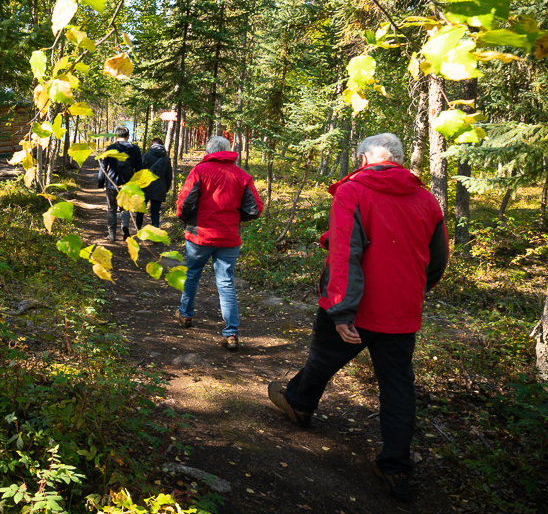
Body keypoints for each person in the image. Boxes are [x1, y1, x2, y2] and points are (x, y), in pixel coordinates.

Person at [267, 133, 448, 503]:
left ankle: (299, 404)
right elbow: (438, 260)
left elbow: (345, 254)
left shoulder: (354, 191)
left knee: (322, 360)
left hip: (357, 307)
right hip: (402, 311)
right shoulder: (427, 200)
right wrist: (410, 291)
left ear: (365, 159)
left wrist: (342, 310)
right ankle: (396, 468)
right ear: (397, 160)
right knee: (398, 389)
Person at [175, 135, 263, 351]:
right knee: (226, 283)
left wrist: (186, 220)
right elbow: (255, 209)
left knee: (192, 275)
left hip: (200, 235)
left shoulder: (200, 171)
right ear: (227, 150)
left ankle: (186, 315)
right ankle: (231, 332)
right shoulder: (241, 175)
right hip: (229, 237)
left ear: (208, 151)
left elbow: (185, 202)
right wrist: (235, 218)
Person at [97, 126, 142, 242]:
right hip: (127, 184)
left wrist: (100, 182)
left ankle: (112, 234)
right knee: (125, 208)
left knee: (111, 209)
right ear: (128, 136)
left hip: (112, 183)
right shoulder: (135, 149)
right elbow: (139, 168)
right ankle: (125, 230)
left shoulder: (111, 148)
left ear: (116, 137)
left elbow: (103, 166)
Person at [136, 138, 172, 229]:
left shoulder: (146, 156)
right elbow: (169, 176)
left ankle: (138, 228)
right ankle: (155, 232)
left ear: (152, 145)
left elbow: (140, 172)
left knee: (140, 209)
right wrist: (166, 189)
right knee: (155, 212)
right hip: (159, 188)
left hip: (145, 186)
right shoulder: (166, 159)